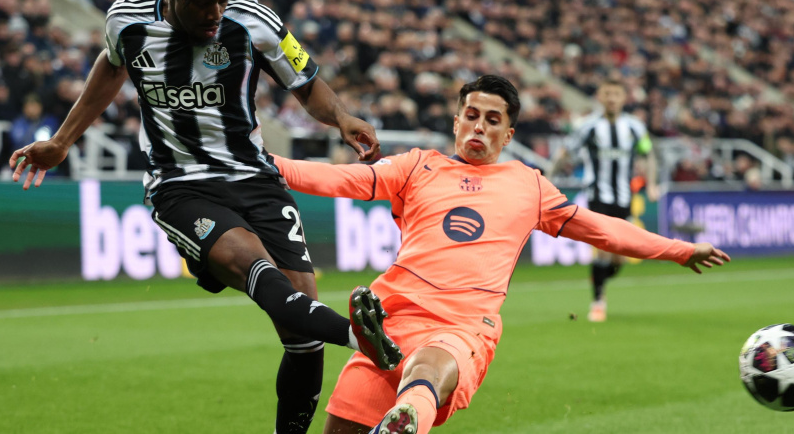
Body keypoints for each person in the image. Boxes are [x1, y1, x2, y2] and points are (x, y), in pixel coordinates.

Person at [8, 0, 402, 433]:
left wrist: (341, 116)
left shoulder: (252, 20)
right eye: (203, 1)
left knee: (303, 334)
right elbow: (112, 66)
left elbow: (304, 80)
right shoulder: (128, 20)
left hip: (256, 179)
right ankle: (365, 339)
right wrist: (63, 139)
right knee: (263, 275)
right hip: (180, 185)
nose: (216, 11)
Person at [269, 75, 730, 434]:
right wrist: (267, 166)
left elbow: (600, 229)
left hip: (462, 325)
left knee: (428, 367)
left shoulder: (528, 184)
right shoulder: (417, 166)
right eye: (471, 115)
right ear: (456, 121)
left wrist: (679, 250)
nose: (479, 126)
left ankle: (407, 415)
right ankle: (406, 414)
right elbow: (341, 180)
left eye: (493, 120)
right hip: (384, 326)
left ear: (508, 135)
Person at [569, 79, 660, 322]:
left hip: (624, 197)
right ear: (600, 96)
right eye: (607, 93)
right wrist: (547, 175)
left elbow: (648, 153)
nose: (611, 98)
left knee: (620, 257)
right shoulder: (588, 126)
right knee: (602, 250)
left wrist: (651, 184)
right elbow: (567, 150)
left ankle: (598, 278)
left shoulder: (635, 127)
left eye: (616, 94)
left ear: (623, 98)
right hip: (597, 196)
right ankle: (598, 301)